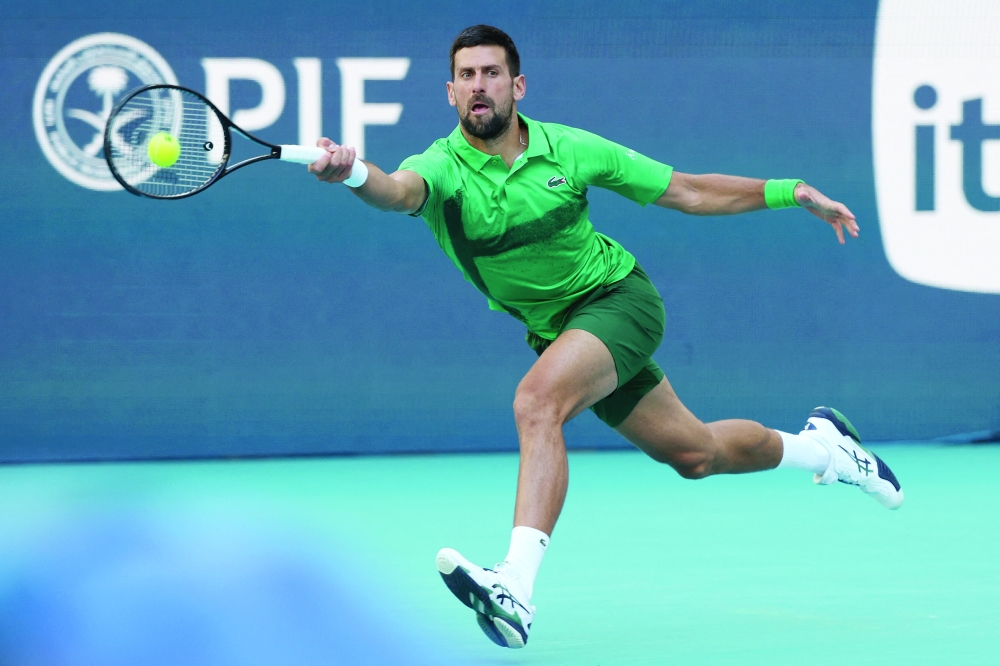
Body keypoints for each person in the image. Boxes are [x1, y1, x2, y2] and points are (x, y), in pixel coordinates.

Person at [308, 24, 903, 650]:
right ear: (450, 93)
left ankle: (515, 584)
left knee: (537, 403)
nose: (477, 87)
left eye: (489, 74)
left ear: (518, 86)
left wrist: (791, 192)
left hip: (621, 302)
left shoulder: (570, 149)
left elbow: (688, 189)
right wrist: (352, 174)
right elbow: (397, 191)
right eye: (465, 76)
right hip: (560, 334)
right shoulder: (441, 169)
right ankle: (827, 450)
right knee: (696, 454)